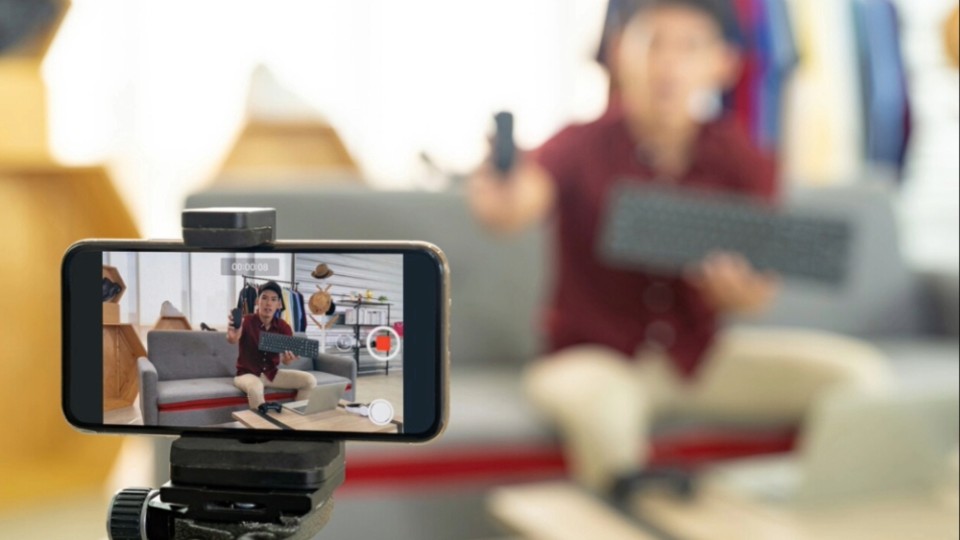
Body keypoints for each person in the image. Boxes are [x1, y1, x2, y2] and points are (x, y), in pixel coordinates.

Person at [469, 0, 890, 497]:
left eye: (689, 46)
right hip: (592, 359)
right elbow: (520, 203)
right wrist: (503, 192)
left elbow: (756, 293)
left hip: (697, 359)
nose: (667, 64)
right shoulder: (577, 145)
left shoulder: (742, 160)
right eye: (652, 44)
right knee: (603, 409)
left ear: (723, 63)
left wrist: (734, 292)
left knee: (858, 376)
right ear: (620, 52)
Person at [227, 281, 317, 410]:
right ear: (258, 301)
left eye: (273, 299)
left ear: (279, 304)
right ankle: (262, 426)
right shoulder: (246, 321)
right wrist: (232, 337)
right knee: (256, 387)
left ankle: (297, 417)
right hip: (246, 375)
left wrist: (287, 359)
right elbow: (232, 339)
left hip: (271, 374)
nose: (268, 303)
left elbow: (286, 362)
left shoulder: (283, 327)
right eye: (264, 298)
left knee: (309, 380)